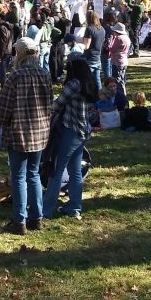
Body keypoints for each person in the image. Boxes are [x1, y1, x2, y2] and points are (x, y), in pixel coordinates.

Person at [0, 37, 52, 235]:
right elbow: (50, 103)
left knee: (19, 176)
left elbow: (5, 108)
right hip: (40, 132)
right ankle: (36, 217)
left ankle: (19, 221)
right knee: (33, 174)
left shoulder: (15, 76)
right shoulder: (44, 74)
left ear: (18, 54)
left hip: (19, 132)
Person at [43, 58, 97, 220]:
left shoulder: (74, 84)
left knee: (57, 170)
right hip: (83, 131)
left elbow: (57, 105)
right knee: (75, 171)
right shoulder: (88, 84)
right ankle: (74, 207)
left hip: (71, 130)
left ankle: (46, 209)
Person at [80, 11, 105, 89]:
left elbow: (86, 46)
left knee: (87, 79)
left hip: (89, 57)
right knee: (97, 79)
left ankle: (88, 94)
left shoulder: (89, 29)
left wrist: (77, 44)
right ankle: (100, 94)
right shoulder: (102, 29)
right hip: (98, 56)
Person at [108, 22, 130, 94]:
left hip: (117, 61)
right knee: (122, 78)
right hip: (124, 60)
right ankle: (123, 93)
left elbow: (112, 49)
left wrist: (111, 41)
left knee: (118, 80)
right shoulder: (127, 37)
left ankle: (121, 95)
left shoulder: (119, 38)